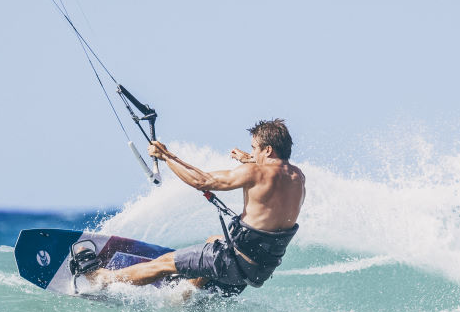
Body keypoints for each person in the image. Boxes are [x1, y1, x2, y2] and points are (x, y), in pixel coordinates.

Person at [85, 119, 305, 296]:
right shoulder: (298, 177)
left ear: (267, 150)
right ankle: (185, 294)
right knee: (213, 240)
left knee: (163, 263)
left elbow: (202, 181)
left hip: (231, 263)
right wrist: (248, 159)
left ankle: (102, 279)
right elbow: (272, 174)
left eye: (254, 149)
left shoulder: (255, 173)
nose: (253, 154)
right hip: (258, 271)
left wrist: (166, 156)